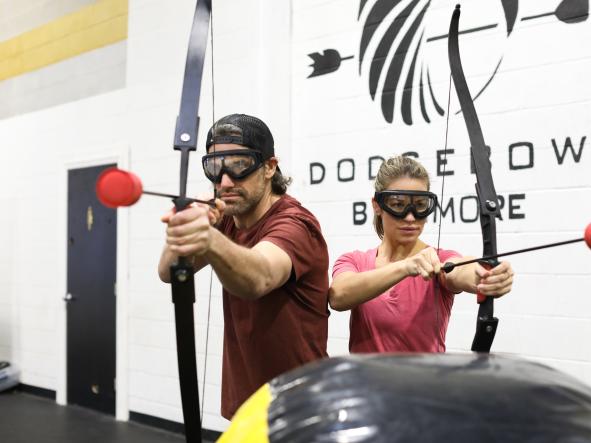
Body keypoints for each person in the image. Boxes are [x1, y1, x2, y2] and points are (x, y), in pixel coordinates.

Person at [158, 113, 329, 418]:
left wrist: (207, 237)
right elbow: (168, 272)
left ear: (269, 167)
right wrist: (187, 220)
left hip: (300, 406)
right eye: (215, 167)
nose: (225, 182)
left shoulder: (295, 224)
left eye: (239, 166)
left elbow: (259, 278)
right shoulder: (224, 217)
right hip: (248, 402)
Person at [329, 156, 514, 353]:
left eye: (419, 205)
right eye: (398, 205)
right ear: (377, 205)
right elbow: (338, 297)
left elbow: (459, 269)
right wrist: (406, 267)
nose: (410, 217)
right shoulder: (354, 261)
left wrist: (484, 276)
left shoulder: (437, 261)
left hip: (425, 383)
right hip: (367, 383)